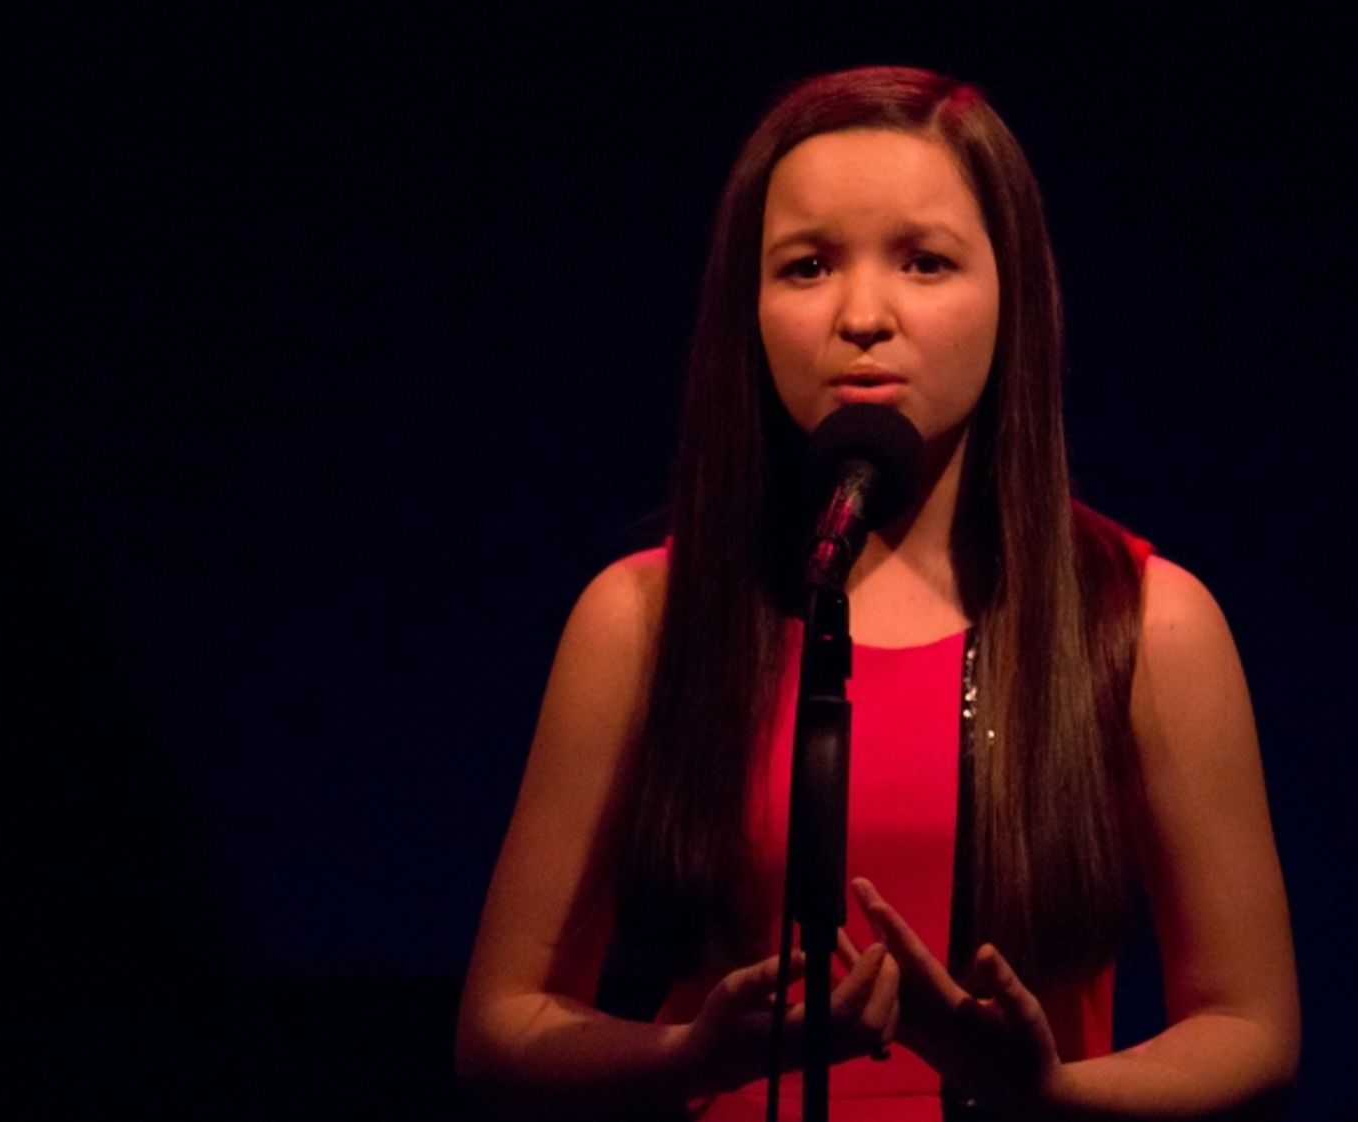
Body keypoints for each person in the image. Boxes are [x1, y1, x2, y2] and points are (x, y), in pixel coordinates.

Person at [454, 66, 1299, 1120]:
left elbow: (1250, 1027)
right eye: (805, 266)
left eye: (922, 262)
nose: (861, 314)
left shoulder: (1142, 620)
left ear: (1011, 293)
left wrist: (1052, 1095)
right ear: (745, 308)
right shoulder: (641, 621)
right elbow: (501, 1024)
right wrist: (690, 1057)